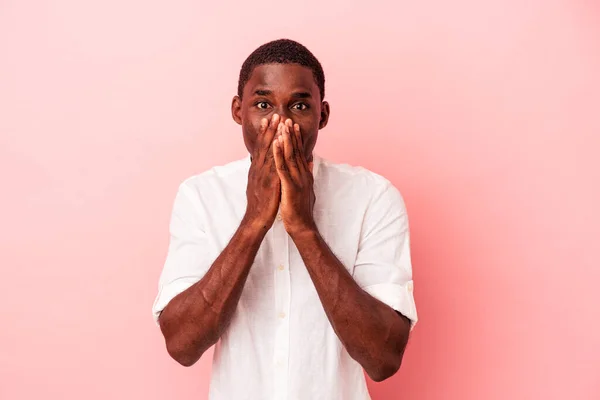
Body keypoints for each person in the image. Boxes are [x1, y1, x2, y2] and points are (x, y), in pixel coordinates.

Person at [152, 38, 418, 400]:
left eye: (299, 106)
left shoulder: (374, 197)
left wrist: (303, 228)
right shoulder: (200, 196)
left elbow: (384, 359)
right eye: (263, 105)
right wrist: (254, 221)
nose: (280, 123)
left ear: (322, 115)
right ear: (237, 110)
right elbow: (182, 345)